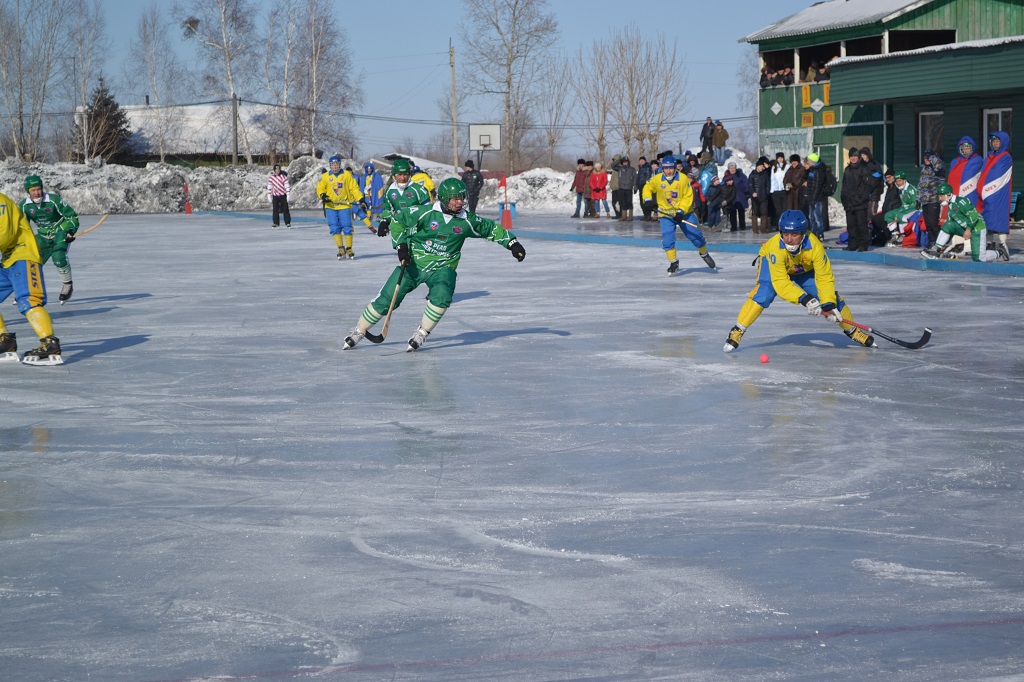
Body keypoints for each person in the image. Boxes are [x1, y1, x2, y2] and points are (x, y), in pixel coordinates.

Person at [343, 178, 525, 352]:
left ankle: (422, 332)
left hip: (442, 268)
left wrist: (512, 244)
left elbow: (491, 229)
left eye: (461, 198)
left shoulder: (467, 220)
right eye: (454, 199)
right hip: (413, 263)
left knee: (443, 294)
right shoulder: (425, 212)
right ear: (445, 199)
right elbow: (398, 221)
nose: (459, 203)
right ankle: (360, 330)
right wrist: (401, 246)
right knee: (388, 299)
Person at [722, 209, 875, 353]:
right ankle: (738, 330)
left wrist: (828, 304)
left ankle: (853, 331)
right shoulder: (775, 247)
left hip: (802, 269)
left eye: (794, 234)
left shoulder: (815, 246)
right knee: (764, 293)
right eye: (785, 234)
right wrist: (805, 299)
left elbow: (824, 277)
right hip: (774, 266)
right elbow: (781, 283)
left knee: (833, 300)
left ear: (803, 233)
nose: (789, 240)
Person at [0, 191, 64, 365]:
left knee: (29, 299)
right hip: (7, 260)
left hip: (23, 256)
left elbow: (4, 234)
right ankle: (4, 341)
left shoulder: (0, 202)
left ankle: (49, 342)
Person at [641, 155, 716, 274]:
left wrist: (681, 211)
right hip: (666, 215)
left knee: (696, 236)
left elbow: (687, 197)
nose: (668, 171)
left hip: (685, 213)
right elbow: (647, 187)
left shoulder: (683, 179)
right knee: (667, 239)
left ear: (675, 168)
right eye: (666, 168)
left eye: (671, 168)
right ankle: (673, 261)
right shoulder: (657, 179)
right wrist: (648, 199)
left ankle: (704, 253)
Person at [20, 175, 79, 304]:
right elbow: (22, 226)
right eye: (33, 190)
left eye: (38, 189)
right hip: (42, 236)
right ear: (28, 191)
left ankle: (67, 284)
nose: (37, 193)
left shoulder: (53, 200)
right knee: (32, 259)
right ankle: (29, 291)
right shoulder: (25, 206)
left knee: (58, 256)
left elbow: (72, 217)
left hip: (60, 232)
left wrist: (70, 231)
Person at [922, 183, 1000, 262]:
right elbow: (950, 228)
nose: (940, 199)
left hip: (977, 229)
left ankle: (999, 252)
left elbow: (974, 216)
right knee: (948, 224)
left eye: (941, 196)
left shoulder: (961, 201)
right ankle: (937, 249)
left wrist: (968, 229)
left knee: (978, 259)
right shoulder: (950, 206)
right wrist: (944, 245)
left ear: (948, 194)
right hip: (965, 228)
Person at [317, 155, 369, 260]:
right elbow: (320, 188)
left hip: (344, 205)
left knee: (347, 226)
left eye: (336, 164)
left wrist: (360, 198)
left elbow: (354, 188)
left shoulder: (346, 175)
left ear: (340, 165)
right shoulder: (326, 176)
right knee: (334, 227)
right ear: (330, 165)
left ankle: (349, 248)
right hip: (331, 206)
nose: (335, 167)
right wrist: (323, 195)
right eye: (332, 165)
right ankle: (340, 248)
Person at [978, 132, 1013, 260]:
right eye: (993, 141)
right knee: (987, 218)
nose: (995, 143)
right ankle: (990, 244)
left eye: (997, 141)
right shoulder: (988, 158)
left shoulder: (1005, 157)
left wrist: (988, 187)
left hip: (999, 193)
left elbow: (997, 174)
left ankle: (1003, 245)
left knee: (999, 217)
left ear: (1003, 142)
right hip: (987, 195)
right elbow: (984, 173)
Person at [840, 147, 872, 251]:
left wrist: (861, 198)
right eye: (851, 156)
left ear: (858, 157)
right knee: (851, 225)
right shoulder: (847, 169)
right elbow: (844, 185)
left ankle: (863, 244)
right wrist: (844, 198)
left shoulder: (864, 168)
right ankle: (852, 244)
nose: (853, 158)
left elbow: (867, 186)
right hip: (849, 202)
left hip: (860, 202)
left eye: (855, 156)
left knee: (861, 224)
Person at [881, 171, 919, 245]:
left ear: (904, 180)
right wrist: (897, 213)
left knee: (901, 215)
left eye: (900, 181)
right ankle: (895, 234)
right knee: (888, 215)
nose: (898, 183)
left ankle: (903, 235)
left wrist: (900, 214)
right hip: (904, 208)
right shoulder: (900, 190)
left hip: (914, 209)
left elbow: (915, 204)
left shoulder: (911, 189)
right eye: (897, 181)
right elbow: (903, 204)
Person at [917, 149, 946, 246]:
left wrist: (932, 157)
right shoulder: (925, 169)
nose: (927, 159)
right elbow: (920, 184)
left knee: (934, 223)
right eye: (925, 157)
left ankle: (939, 244)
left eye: (928, 157)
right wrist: (918, 199)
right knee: (928, 224)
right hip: (925, 200)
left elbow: (939, 166)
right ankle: (931, 243)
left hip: (934, 199)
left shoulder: (938, 168)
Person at [947, 136, 983, 205]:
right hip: (956, 191)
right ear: (960, 149)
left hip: (972, 190)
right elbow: (951, 178)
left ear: (972, 148)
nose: (966, 150)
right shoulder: (955, 161)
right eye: (964, 148)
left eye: (968, 147)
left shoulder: (977, 160)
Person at [802, 153, 829, 238]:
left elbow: (817, 186)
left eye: (809, 162)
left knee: (817, 217)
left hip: (817, 198)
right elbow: (809, 182)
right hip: (811, 197)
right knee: (811, 217)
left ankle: (820, 233)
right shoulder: (811, 170)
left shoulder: (819, 171)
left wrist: (814, 198)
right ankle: (813, 233)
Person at [748, 156, 772, 233]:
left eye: (762, 166)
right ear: (757, 166)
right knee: (755, 213)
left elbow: (768, 184)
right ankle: (755, 229)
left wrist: (767, 192)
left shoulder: (765, 174)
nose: (762, 168)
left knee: (764, 212)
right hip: (755, 197)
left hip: (764, 196)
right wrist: (753, 192)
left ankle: (763, 229)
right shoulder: (752, 174)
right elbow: (750, 185)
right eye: (761, 166)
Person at [723, 162, 749, 231]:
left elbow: (746, 185)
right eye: (731, 168)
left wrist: (746, 194)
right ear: (728, 169)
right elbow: (723, 186)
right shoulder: (726, 176)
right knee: (732, 212)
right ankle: (733, 226)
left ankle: (742, 226)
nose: (732, 169)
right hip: (731, 197)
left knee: (741, 212)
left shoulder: (741, 175)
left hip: (741, 196)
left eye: (733, 168)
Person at [267, 164, 291, 229]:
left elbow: (287, 185)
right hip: (275, 195)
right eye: (276, 169)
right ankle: (276, 223)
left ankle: (288, 222)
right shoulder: (272, 178)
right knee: (275, 210)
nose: (278, 170)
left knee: (285, 209)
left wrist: (288, 194)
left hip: (283, 195)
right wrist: (269, 195)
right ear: (274, 170)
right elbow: (270, 187)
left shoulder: (283, 176)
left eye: (279, 169)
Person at [616, 157, 636, 221]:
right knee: (622, 202)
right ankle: (624, 216)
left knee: (629, 202)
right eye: (624, 161)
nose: (625, 163)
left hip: (629, 188)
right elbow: (613, 165)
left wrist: (635, 187)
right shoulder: (620, 168)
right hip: (621, 187)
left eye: (626, 161)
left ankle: (630, 216)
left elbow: (635, 178)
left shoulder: (632, 169)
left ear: (628, 162)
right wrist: (619, 160)